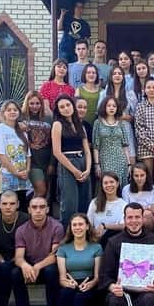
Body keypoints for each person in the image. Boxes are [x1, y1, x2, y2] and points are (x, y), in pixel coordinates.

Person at [8, 196, 64, 306]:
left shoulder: (57, 227)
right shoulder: (21, 230)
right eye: (34, 207)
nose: (38, 211)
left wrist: (38, 266)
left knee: (52, 271)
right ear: (29, 210)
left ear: (47, 209)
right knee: (15, 273)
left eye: (41, 207)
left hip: (47, 266)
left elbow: (55, 255)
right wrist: (25, 265)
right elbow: (19, 257)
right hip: (32, 268)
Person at [54, 213, 103, 306]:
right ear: (70, 228)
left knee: (79, 298)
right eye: (74, 225)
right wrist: (67, 283)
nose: (77, 227)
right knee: (65, 295)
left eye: (81, 224)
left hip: (89, 286)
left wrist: (91, 284)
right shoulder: (63, 248)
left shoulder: (96, 248)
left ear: (87, 226)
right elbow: (62, 278)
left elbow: (98, 277)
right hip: (71, 284)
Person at [51, 95, 92, 226]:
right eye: (62, 107)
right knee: (69, 203)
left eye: (68, 105)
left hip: (83, 162)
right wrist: (74, 171)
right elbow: (57, 152)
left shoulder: (80, 124)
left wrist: (88, 169)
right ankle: (67, 235)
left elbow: (87, 149)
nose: (66, 109)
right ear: (58, 110)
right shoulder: (57, 125)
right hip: (67, 164)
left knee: (84, 201)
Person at [0, 100, 31, 213]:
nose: (12, 112)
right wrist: (15, 172)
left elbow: (28, 155)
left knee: (21, 209)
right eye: (9, 110)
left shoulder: (22, 132)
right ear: (3, 113)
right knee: (3, 208)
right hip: (4, 176)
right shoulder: (0, 130)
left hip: (21, 178)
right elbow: (0, 155)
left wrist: (26, 170)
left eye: (15, 110)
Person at [100, 66, 138, 163]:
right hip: (108, 130)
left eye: (120, 73)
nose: (117, 75)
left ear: (123, 77)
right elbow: (100, 114)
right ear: (111, 77)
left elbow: (135, 116)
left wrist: (124, 117)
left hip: (126, 129)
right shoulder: (104, 94)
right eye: (114, 74)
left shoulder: (130, 94)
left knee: (130, 160)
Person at [92, 97, 130, 187]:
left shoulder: (121, 123)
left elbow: (125, 145)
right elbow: (96, 146)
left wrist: (129, 164)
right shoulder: (98, 123)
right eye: (109, 105)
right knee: (107, 184)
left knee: (120, 184)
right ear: (104, 107)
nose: (111, 108)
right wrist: (97, 164)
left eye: (114, 106)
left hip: (120, 160)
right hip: (105, 159)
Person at [21, 91, 52, 198]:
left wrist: (52, 163)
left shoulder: (48, 118)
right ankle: (34, 213)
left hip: (47, 160)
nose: (35, 106)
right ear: (27, 104)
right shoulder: (21, 118)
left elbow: (53, 142)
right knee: (41, 190)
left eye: (37, 103)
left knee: (46, 192)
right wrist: (28, 143)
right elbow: (15, 136)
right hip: (32, 161)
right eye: (32, 103)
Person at [87, 171, 127, 247]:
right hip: (97, 240)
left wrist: (105, 226)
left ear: (117, 184)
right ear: (102, 185)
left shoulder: (123, 204)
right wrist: (95, 234)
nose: (109, 185)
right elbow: (89, 223)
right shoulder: (95, 202)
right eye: (105, 183)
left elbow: (124, 225)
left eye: (112, 182)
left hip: (115, 241)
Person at [122, 162, 154, 231]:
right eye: (136, 176)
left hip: (148, 218)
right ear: (132, 176)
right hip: (131, 216)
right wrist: (146, 207)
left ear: (146, 175)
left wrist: (138, 208)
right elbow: (126, 209)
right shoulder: (126, 189)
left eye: (142, 175)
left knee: (147, 214)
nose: (139, 178)